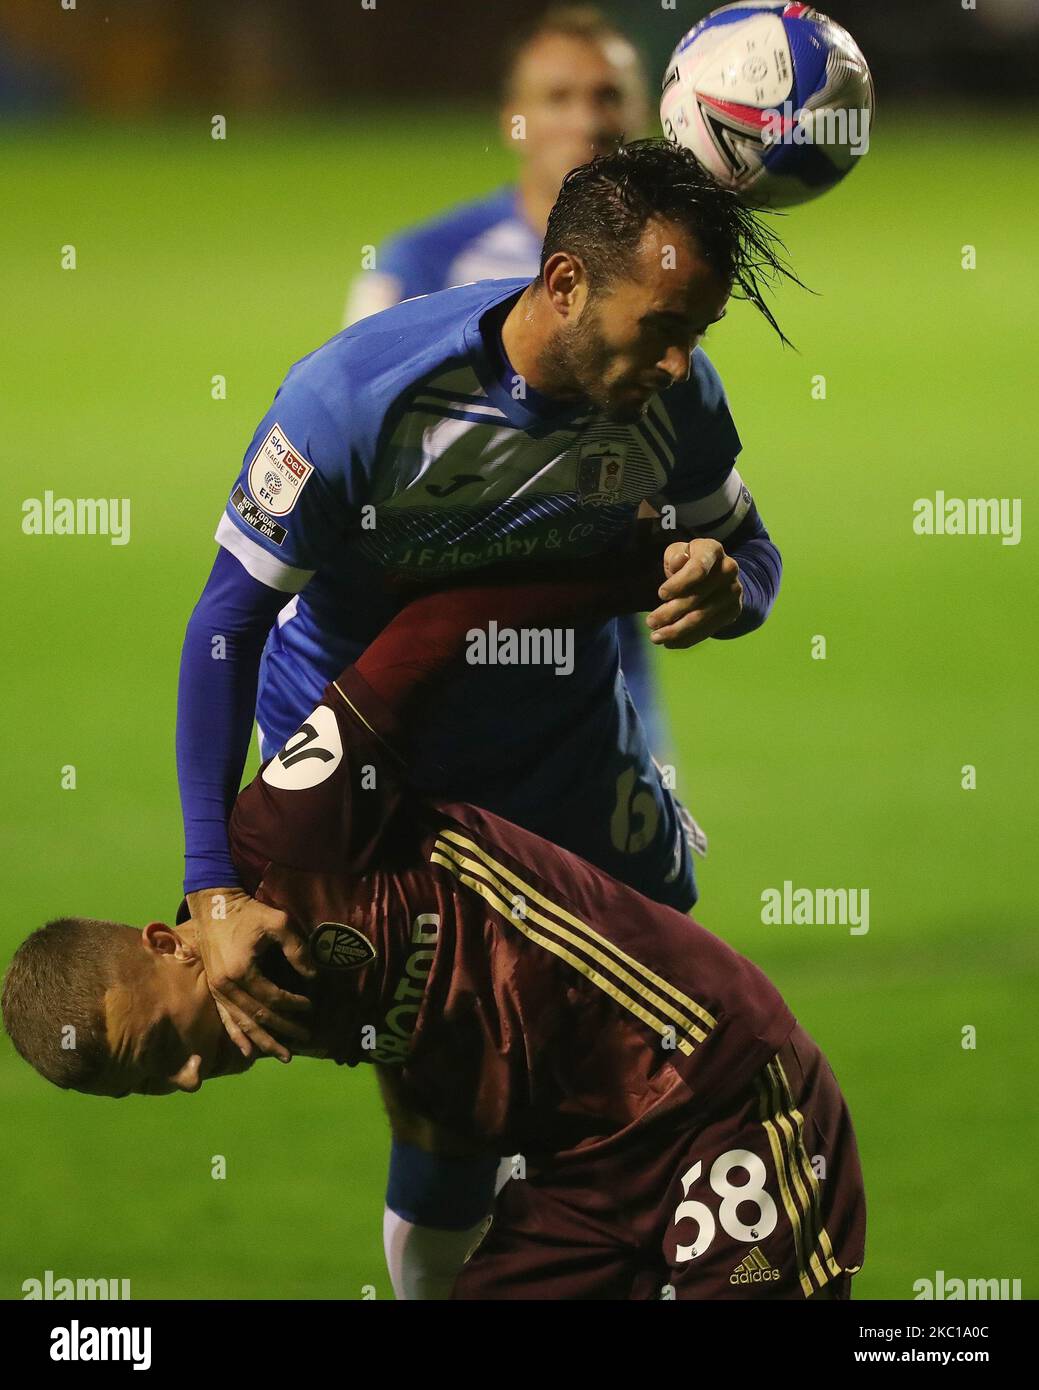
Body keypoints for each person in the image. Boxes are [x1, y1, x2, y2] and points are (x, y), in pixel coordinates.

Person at [6, 560, 864, 1301]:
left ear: (166, 942)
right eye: (151, 1085)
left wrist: (644, 569)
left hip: (709, 1090)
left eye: (162, 1046)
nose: (189, 1079)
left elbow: (438, 629)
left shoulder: (283, 836)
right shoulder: (275, 1011)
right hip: (583, 1173)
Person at [176, 139, 790, 1073]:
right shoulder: (352, 400)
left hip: (558, 732)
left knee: (646, 1029)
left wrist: (726, 585)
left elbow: (753, 553)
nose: (678, 363)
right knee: (455, 1066)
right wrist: (212, 886)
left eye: (696, 334)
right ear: (566, 281)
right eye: (662, 327)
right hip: (372, 751)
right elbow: (228, 625)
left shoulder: (676, 401)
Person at [342, 5, 675, 766]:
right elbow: (355, 459)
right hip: (442, 648)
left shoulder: (662, 270)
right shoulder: (422, 266)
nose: (587, 121)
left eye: (606, 96)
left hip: (602, 652)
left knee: (643, 884)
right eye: (557, 98)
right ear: (513, 121)